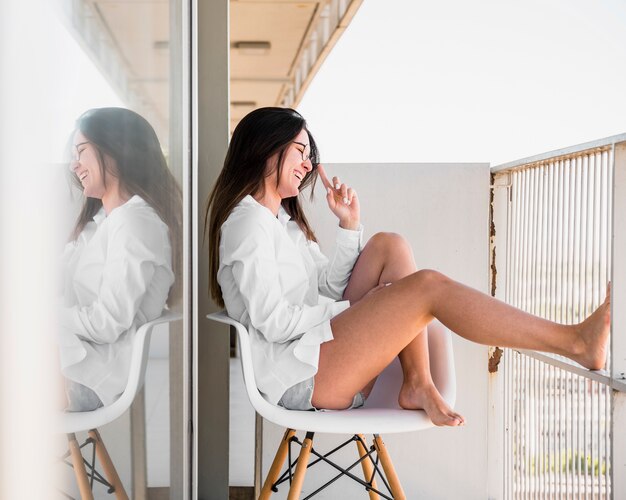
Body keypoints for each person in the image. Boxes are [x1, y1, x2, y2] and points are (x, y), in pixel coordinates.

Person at [206, 107, 611, 426]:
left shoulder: (281, 223)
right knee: (427, 287)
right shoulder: (246, 224)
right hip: (297, 378)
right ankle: (574, 342)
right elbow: (274, 322)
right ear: (265, 148)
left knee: (389, 245)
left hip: (315, 355)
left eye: (311, 157)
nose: (309, 165)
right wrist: (356, 312)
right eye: (300, 151)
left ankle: (417, 382)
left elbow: (326, 291)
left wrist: (348, 226)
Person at [58, 107, 182, 412]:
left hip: (88, 378)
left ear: (115, 151)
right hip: (77, 367)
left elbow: (107, 323)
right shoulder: (109, 221)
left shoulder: (135, 223)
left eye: (81, 151)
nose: (74, 164)